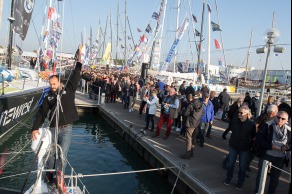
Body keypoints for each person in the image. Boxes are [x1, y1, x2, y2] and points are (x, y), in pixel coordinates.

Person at [31, 47, 82, 189]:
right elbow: (41, 113)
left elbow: (76, 73)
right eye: (50, 85)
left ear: (59, 82)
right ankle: (49, 174)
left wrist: (79, 58)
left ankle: (59, 179)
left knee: (62, 154)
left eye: (54, 84)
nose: (52, 87)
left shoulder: (68, 90)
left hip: (66, 129)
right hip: (53, 128)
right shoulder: (49, 97)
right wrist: (35, 128)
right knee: (51, 153)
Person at [254, 111, 291, 194]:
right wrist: (271, 146)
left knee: (275, 178)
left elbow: (290, 143)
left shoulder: (289, 130)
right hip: (267, 154)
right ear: (275, 117)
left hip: (280, 157)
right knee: (261, 176)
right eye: (278, 117)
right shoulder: (267, 125)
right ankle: (258, 191)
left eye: (283, 118)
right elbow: (259, 139)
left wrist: (287, 148)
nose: (280, 120)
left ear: (286, 120)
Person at [224, 106, 256, 190]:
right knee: (230, 163)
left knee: (242, 166)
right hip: (233, 145)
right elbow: (230, 128)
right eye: (238, 112)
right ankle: (228, 178)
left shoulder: (251, 124)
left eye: (241, 113)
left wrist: (249, 144)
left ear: (247, 114)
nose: (239, 114)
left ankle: (240, 182)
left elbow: (253, 136)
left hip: (244, 148)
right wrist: (224, 134)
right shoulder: (234, 120)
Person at [180, 92, 204, 159]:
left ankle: (188, 154)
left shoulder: (191, 104)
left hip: (190, 124)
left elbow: (185, 113)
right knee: (193, 139)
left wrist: (183, 111)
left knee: (188, 139)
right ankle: (192, 152)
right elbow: (202, 114)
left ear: (193, 97)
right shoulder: (201, 105)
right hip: (197, 124)